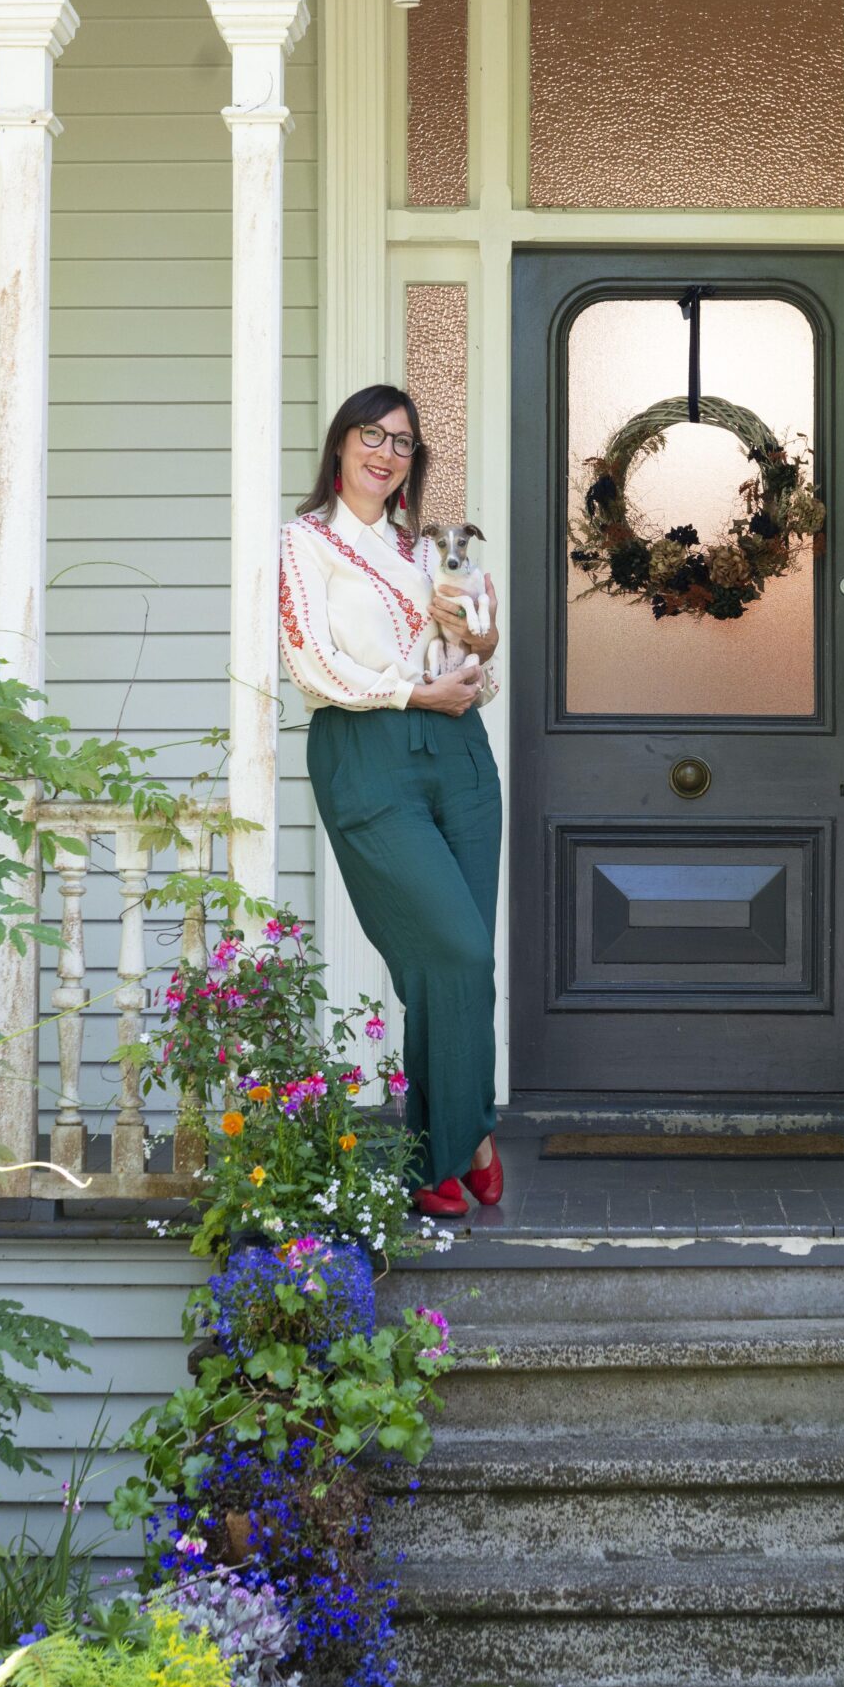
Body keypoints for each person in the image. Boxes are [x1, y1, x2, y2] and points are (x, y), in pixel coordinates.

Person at [279, 385, 503, 1219]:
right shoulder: (305, 545)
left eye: (402, 443)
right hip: (369, 753)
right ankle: (466, 1137)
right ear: (339, 446)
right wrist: (415, 696)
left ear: (414, 464)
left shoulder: (426, 553)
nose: (384, 451)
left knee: (462, 960)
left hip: (461, 756)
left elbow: (473, 670)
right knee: (452, 952)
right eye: (369, 435)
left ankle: (440, 1152)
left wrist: (478, 639)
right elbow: (313, 666)